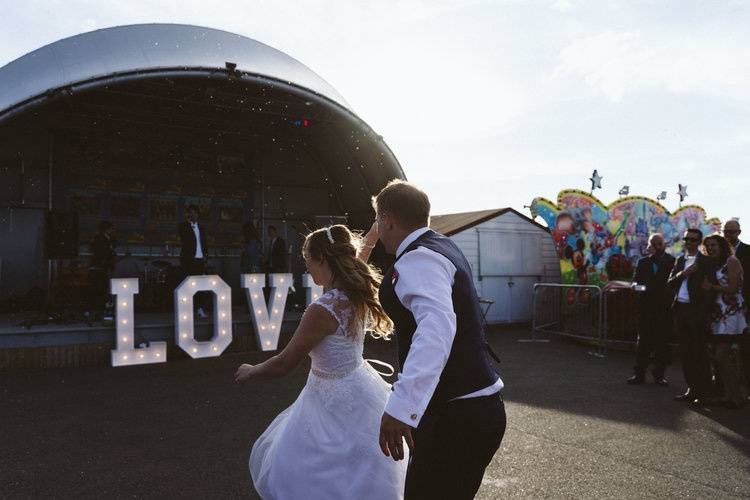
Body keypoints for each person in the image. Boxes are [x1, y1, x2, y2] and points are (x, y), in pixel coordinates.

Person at [236, 224, 407, 499]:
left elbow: (284, 363)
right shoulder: (355, 291)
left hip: (330, 400)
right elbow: (359, 256)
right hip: (361, 388)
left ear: (323, 260)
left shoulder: (322, 310)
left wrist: (250, 371)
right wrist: (374, 233)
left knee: (311, 472)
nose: (307, 269)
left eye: (308, 262)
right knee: (359, 468)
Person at [372, 180, 506, 500]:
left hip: (458, 416)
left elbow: (435, 330)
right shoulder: (443, 245)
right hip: (476, 408)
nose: (377, 228)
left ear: (388, 220)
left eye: (378, 220)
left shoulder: (418, 259)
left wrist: (402, 407)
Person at [667, 228, 713, 404]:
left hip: (696, 312)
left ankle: (704, 393)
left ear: (699, 242)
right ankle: (691, 389)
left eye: (693, 240)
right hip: (681, 310)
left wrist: (704, 313)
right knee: (685, 353)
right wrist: (684, 273)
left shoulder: (706, 262)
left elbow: (709, 291)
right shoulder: (680, 260)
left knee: (699, 353)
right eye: (687, 239)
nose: (689, 242)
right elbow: (670, 282)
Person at [701, 234, 747, 408]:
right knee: (722, 357)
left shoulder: (731, 261)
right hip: (719, 313)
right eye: (708, 246)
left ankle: (737, 397)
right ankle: (731, 395)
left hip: (731, 313)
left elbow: (734, 287)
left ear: (721, 245)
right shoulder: (715, 264)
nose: (711, 248)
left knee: (722, 355)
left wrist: (712, 287)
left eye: (714, 244)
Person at [627, 233, 675, 385]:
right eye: (654, 244)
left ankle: (659, 375)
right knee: (643, 343)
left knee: (662, 344)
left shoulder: (672, 262)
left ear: (664, 245)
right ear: (649, 245)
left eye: (659, 244)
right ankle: (639, 374)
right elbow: (636, 282)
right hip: (646, 309)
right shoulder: (643, 262)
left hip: (664, 310)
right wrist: (639, 287)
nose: (657, 247)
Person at [722, 219, 750, 390]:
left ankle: (746, 385)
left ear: (739, 232)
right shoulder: (717, 251)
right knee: (722, 346)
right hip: (723, 306)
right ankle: (723, 385)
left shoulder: (747, 251)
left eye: (732, 231)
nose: (728, 234)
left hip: (743, 305)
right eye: (726, 231)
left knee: (744, 346)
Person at [179, 205, 208, 318]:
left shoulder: (201, 227)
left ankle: (199, 309)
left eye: (195, 213)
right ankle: (186, 309)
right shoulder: (183, 227)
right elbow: (181, 234)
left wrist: (206, 255)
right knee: (187, 285)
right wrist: (188, 222)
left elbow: (204, 242)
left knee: (199, 286)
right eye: (190, 213)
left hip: (200, 260)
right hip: (188, 260)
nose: (193, 215)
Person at [89, 221, 116, 316]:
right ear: (107, 229)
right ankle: (98, 311)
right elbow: (102, 254)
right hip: (100, 268)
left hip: (102, 268)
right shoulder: (100, 239)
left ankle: (100, 311)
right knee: (99, 290)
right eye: (112, 229)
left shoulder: (107, 239)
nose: (113, 231)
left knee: (102, 290)